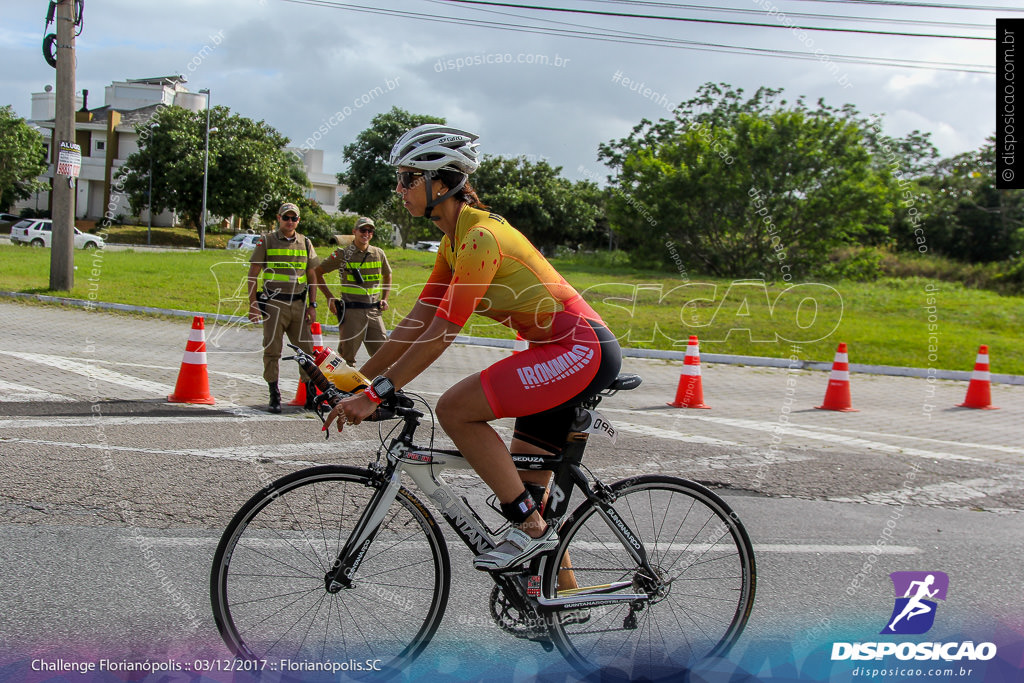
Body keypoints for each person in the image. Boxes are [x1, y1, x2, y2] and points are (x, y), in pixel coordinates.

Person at [324, 125, 621, 572]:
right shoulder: (453, 241)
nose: (399, 189)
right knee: (525, 495)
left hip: (578, 349)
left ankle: (532, 532)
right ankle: (557, 606)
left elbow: (441, 333)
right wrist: (357, 376)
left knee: (456, 409)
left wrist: (375, 394)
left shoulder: (481, 238)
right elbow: (416, 321)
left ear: (440, 184)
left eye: (408, 178)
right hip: (556, 352)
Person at [247, 203, 319, 413]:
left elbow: (312, 276)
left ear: (298, 220)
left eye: (293, 218)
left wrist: (312, 305)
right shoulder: (267, 240)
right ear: (279, 218)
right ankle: (274, 395)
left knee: (306, 352)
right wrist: (253, 304)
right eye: (286, 217)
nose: (290, 221)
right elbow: (253, 274)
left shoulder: (305, 242)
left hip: (299, 304)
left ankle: (310, 396)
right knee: (272, 350)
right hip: (274, 305)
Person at [313, 217, 392, 366]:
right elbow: (317, 272)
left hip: (374, 311)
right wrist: (329, 297)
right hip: (351, 312)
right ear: (354, 232)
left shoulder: (378, 253)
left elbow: (388, 274)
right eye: (363, 230)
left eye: (370, 231)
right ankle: (342, 388)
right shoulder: (342, 254)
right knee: (346, 358)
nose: (366, 233)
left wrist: (385, 298)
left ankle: (386, 388)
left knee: (383, 355)